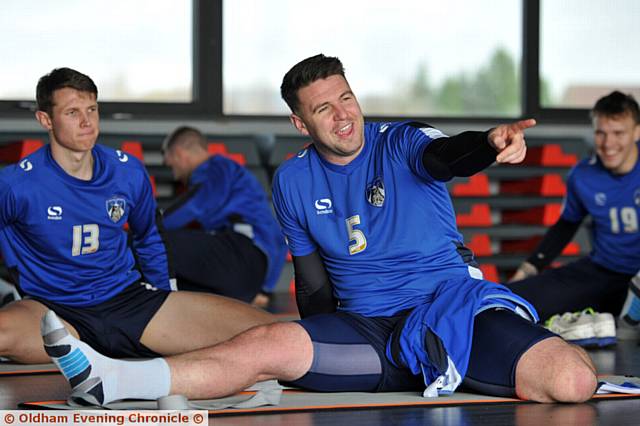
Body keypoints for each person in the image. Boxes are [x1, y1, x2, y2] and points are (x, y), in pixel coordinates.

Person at [43, 55, 596, 406]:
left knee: (572, 382)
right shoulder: (292, 181)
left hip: (453, 310)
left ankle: (450, 361)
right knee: (267, 342)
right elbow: (312, 285)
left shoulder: (400, 142)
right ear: (300, 122)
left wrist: (490, 142)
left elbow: (448, 155)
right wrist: (310, 345)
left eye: (347, 98)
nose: (343, 115)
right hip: (371, 339)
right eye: (324, 108)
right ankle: (113, 382)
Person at [0, 67, 274, 365]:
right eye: (72, 112)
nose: (87, 121)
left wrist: (164, 296)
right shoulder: (17, 184)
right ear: (45, 120)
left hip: (129, 304)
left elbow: (149, 236)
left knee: (269, 332)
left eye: (92, 109)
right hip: (53, 312)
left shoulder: (127, 171)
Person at [508, 91, 640, 337]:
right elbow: (565, 226)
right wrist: (526, 271)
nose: (608, 143)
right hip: (603, 271)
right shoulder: (582, 175)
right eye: (601, 133)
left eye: (618, 133)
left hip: (639, 277)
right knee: (510, 299)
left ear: (637, 132)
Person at [160, 126, 288, 306]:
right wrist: (263, 289)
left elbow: (196, 205)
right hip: (247, 277)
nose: (167, 163)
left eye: (168, 156)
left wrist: (152, 226)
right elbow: (278, 241)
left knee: (144, 243)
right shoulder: (238, 184)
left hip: (239, 255)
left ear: (180, 153)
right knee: (166, 290)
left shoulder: (218, 167)